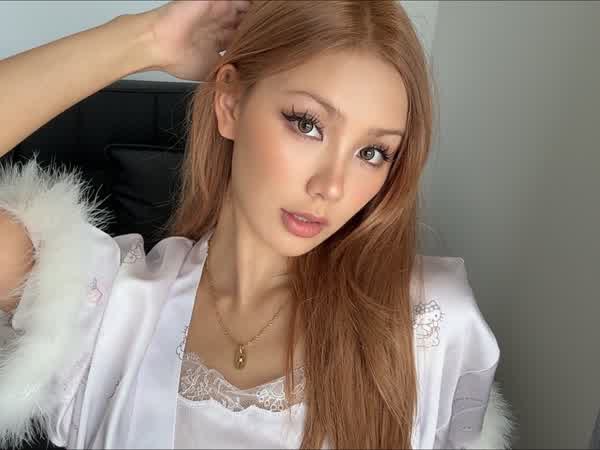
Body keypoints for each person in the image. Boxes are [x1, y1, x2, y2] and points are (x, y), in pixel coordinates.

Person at [0, 1, 515, 449]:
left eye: (372, 152)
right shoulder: (107, 310)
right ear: (230, 103)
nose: (332, 186)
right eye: (308, 124)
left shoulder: (425, 328)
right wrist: (146, 38)